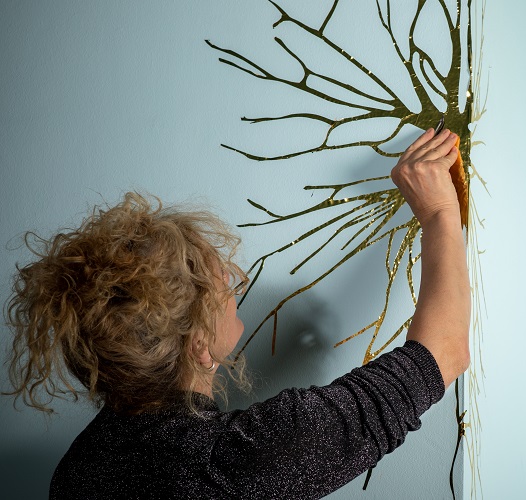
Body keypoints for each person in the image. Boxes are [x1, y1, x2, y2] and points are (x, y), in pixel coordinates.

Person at [4, 128, 470, 499]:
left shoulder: (80, 468)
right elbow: (441, 353)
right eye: (219, 281)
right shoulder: (232, 461)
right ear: (199, 344)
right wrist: (439, 215)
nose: (235, 278)